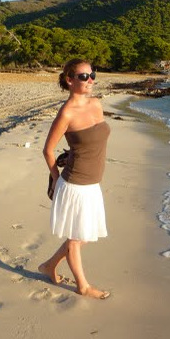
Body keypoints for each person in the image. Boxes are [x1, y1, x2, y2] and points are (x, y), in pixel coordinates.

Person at [38, 58, 111, 300]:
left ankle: (49, 265)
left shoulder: (96, 104)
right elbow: (48, 150)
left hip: (93, 182)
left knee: (83, 235)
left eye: (92, 75)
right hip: (75, 184)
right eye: (83, 76)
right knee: (77, 238)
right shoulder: (67, 113)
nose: (90, 80)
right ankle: (82, 286)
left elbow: (92, 142)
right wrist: (56, 179)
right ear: (69, 80)